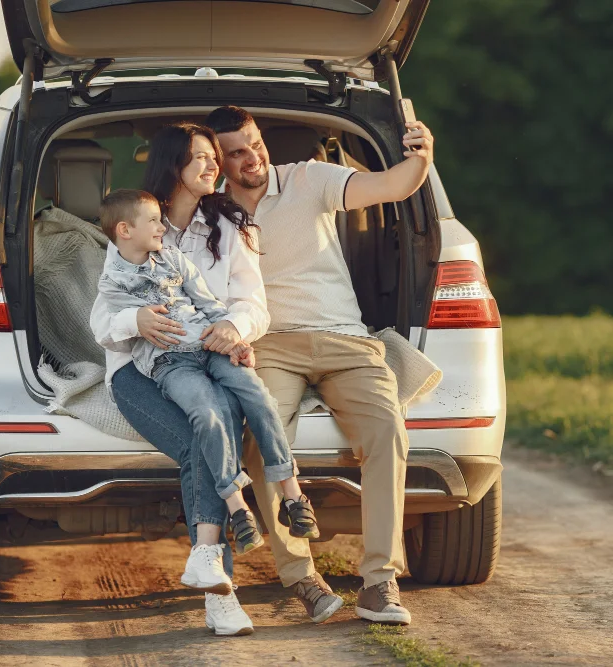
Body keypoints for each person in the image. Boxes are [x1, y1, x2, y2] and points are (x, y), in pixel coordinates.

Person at [89, 123, 343, 637]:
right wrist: (133, 323)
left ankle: (213, 574)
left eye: (213, 157)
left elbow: (254, 304)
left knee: (221, 419)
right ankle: (220, 592)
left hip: (211, 350)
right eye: (202, 158)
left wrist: (234, 327)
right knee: (203, 437)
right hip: (142, 368)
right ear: (173, 167)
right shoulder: (139, 224)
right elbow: (102, 321)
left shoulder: (232, 226)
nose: (214, 166)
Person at [204, 105, 435, 625]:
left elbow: (394, 185)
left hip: (345, 340)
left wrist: (422, 157)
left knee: (386, 428)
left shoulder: (309, 177)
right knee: (264, 440)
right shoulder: (210, 214)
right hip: (271, 346)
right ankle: (303, 579)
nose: (253, 158)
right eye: (236, 152)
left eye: (255, 144)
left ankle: (379, 581)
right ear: (217, 160)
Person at [94, 188, 320, 562]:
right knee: (207, 414)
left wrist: (235, 339)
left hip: (210, 347)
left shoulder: (173, 258)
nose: (160, 227)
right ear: (124, 230)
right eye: (152, 220)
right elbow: (107, 328)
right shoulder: (112, 283)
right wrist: (135, 320)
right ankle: (238, 507)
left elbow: (209, 304)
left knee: (259, 397)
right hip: (170, 363)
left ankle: (294, 496)